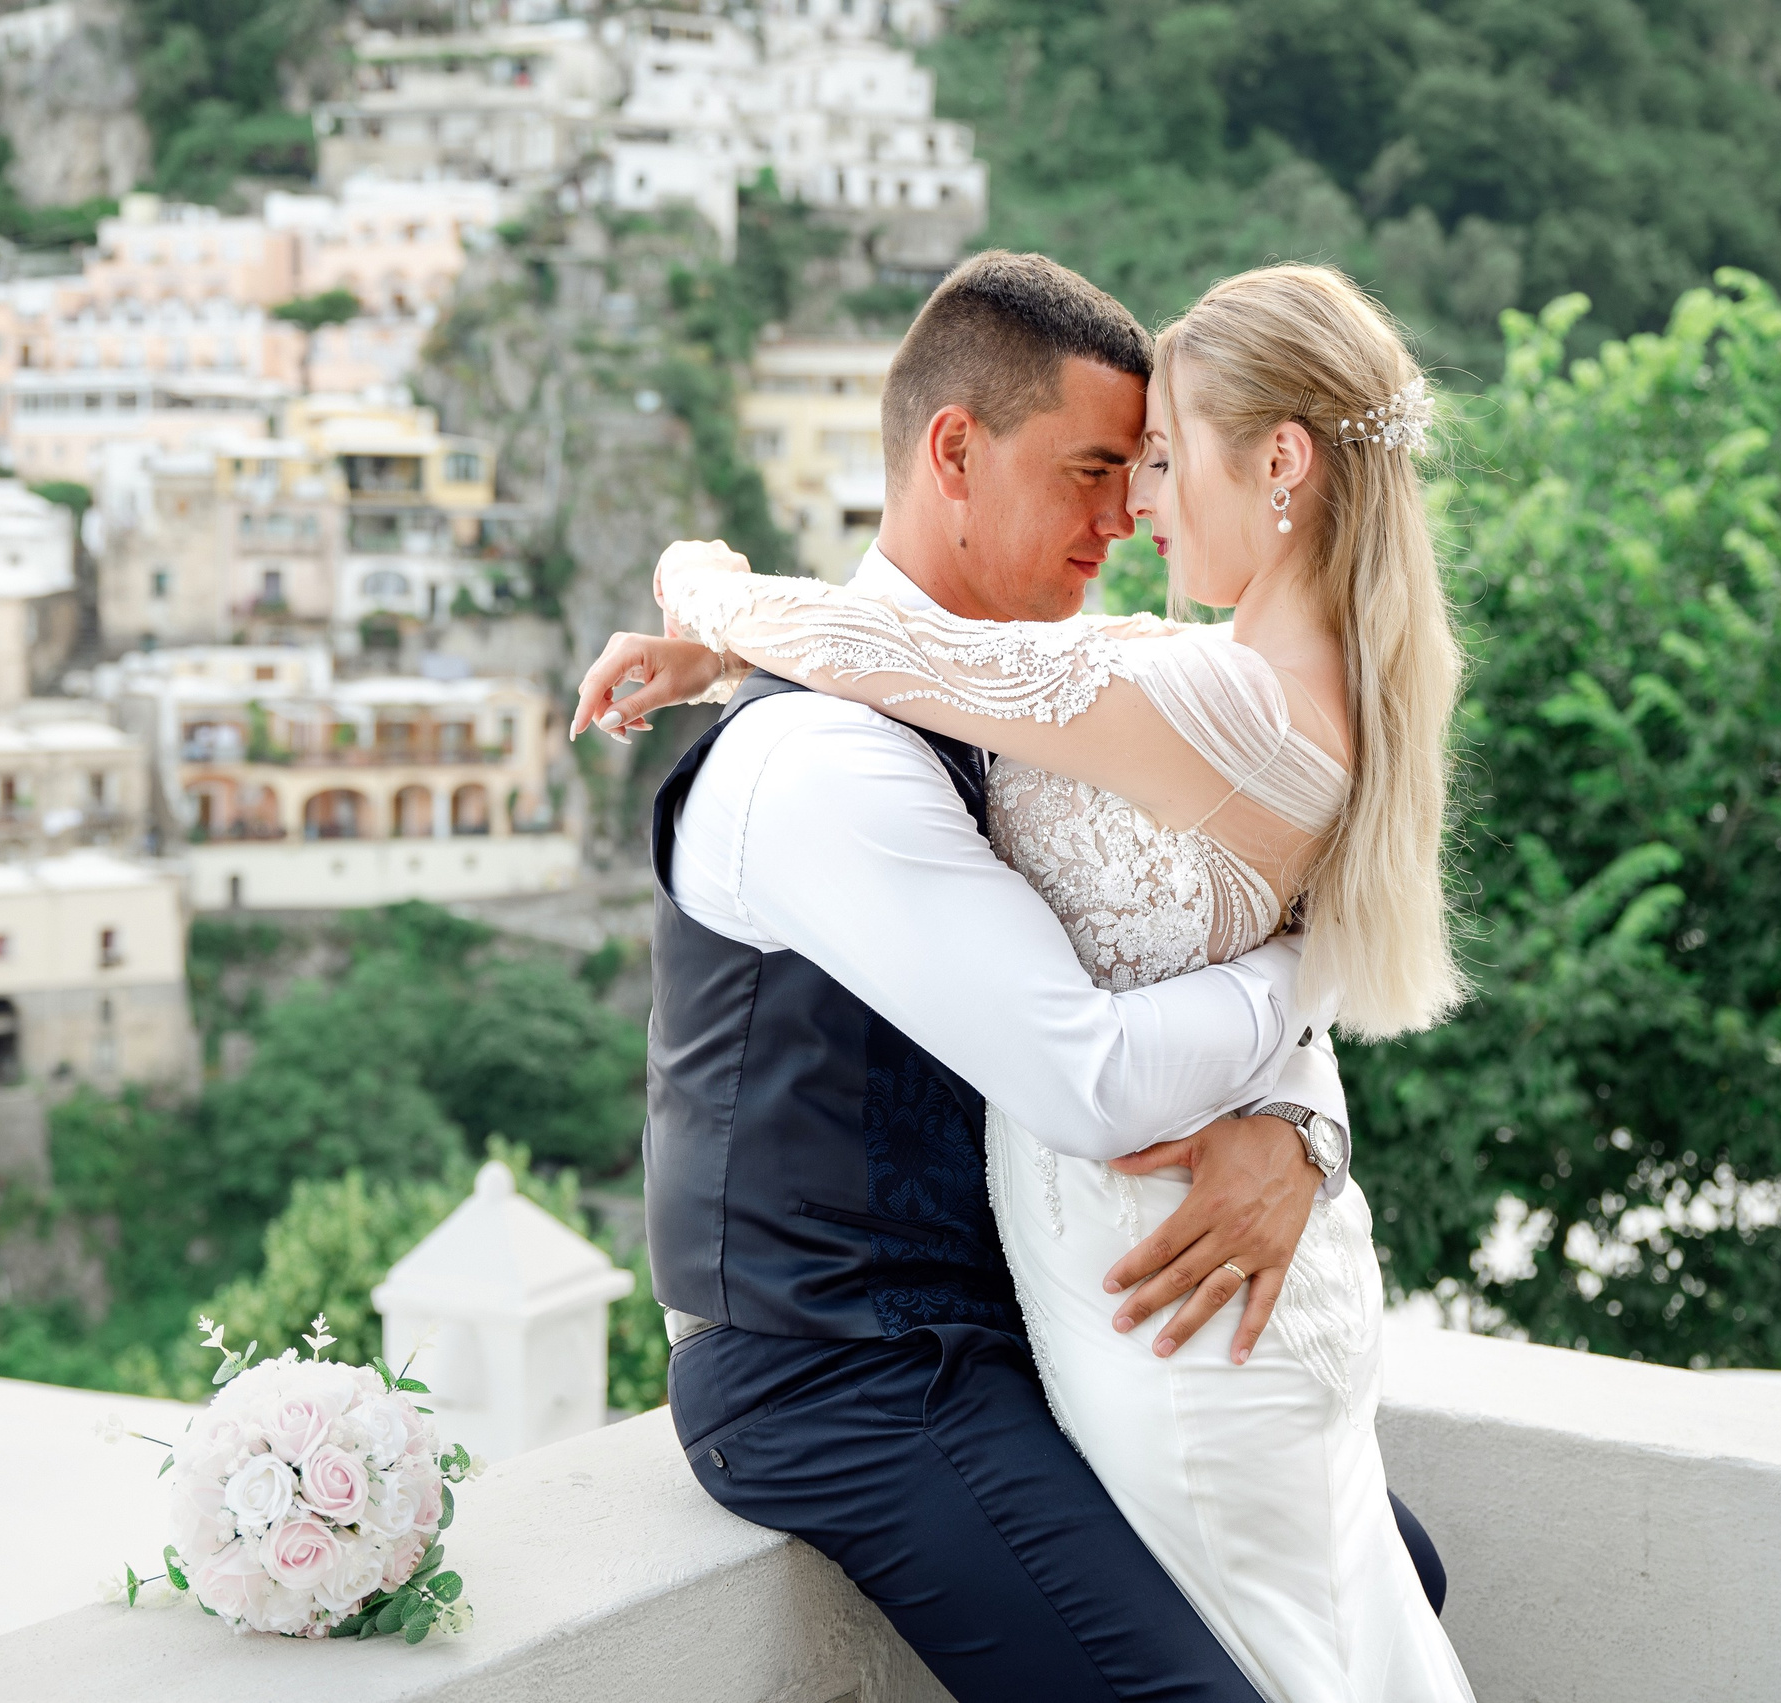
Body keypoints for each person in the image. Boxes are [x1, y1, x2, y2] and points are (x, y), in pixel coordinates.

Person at [574, 252, 1458, 1701]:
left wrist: (1298, 1132)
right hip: (848, 1369)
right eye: (1100, 468)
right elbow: (1090, 1076)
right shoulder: (820, 758)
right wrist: (1308, 972)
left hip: (1035, 1322)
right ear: (954, 454)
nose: (1127, 518)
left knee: (1390, 1571)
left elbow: (1209, 915)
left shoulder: (1084, 697)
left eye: (1153, 467)